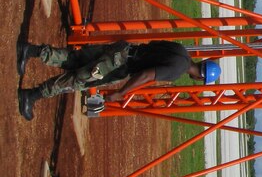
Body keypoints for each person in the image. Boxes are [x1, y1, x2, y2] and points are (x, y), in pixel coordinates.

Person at [16, 39, 220, 121]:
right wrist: (121, 93)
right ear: (199, 77)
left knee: (74, 59)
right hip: (118, 65)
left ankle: (31, 50)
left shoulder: (181, 50)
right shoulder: (177, 70)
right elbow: (146, 75)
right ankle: (32, 95)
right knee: (77, 80)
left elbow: (152, 44)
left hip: (122, 49)